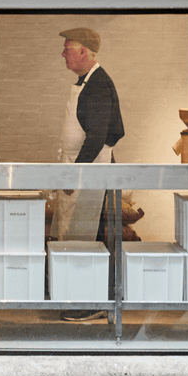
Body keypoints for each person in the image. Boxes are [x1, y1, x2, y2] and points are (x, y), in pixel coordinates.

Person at [55, 27, 124, 322]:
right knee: (77, 236)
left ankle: (91, 302)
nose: (63, 53)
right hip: (80, 169)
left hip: (89, 174)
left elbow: (97, 137)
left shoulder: (98, 85)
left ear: (83, 52)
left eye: (68, 48)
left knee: (86, 237)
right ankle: (76, 295)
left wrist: (76, 175)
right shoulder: (87, 83)